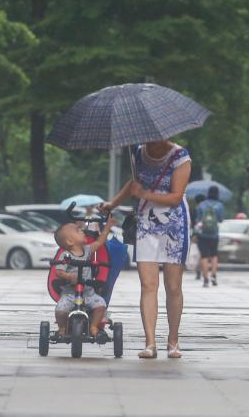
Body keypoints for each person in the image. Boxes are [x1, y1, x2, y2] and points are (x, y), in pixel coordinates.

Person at [100, 140, 192, 359]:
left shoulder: (180, 156)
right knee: (148, 285)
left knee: (173, 286)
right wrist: (112, 203)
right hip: (146, 225)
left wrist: (144, 194)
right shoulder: (139, 152)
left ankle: (173, 340)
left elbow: (175, 197)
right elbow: (133, 184)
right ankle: (150, 342)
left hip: (174, 224)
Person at [52, 219, 113, 340]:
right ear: (70, 241)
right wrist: (69, 276)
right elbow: (58, 272)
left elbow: (100, 241)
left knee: (101, 305)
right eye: (78, 231)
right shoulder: (65, 255)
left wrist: (108, 227)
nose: (82, 232)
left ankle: (94, 327)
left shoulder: (87, 250)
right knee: (60, 309)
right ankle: (62, 328)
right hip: (70, 294)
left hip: (88, 292)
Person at [197, 186, 224, 287]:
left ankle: (205, 279)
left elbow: (198, 219)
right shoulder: (219, 205)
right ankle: (213, 275)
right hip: (214, 234)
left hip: (202, 233)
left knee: (204, 255)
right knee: (214, 255)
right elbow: (221, 220)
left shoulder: (201, 204)